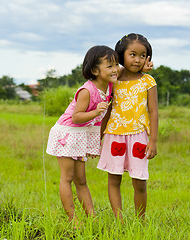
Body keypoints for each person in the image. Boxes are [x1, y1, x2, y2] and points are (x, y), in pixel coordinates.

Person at [46, 45, 120, 223]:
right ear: (95, 70)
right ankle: (73, 220)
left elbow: (126, 68)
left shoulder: (109, 85)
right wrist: (95, 112)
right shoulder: (87, 91)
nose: (115, 69)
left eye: (116, 64)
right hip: (68, 134)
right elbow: (77, 117)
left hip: (81, 135)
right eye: (109, 66)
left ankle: (92, 218)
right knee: (68, 177)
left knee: (81, 180)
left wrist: (144, 66)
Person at [97, 33, 158, 220]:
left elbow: (154, 112)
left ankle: (140, 220)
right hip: (114, 135)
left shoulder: (148, 81)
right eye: (132, 54)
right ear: (121, 55)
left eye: (142, 55)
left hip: (139, 136)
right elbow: (106, 111)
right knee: (114, 178)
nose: (137, 60)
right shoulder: (114, 80)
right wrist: (98, 136)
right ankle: (119, 220)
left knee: (139, 181)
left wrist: (153, 141)